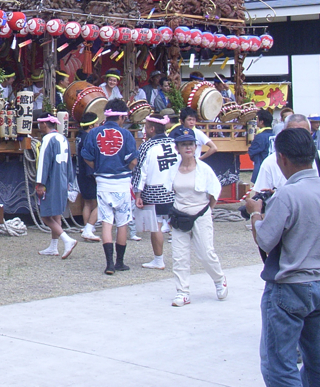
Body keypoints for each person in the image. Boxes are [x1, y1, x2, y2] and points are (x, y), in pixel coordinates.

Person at [245, 127, 320, 387]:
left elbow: (265, 240)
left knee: (279, 364)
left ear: (282, 158)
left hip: (288, 286)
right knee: (319, 361)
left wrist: (256, 212)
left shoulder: (288, 194)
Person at [160, 126, 228, 306]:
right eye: (184, 145)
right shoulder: (173, 169)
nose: (188, 148)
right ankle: (182, 292)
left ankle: (219, 280)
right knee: (179, 256)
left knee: (206, 253)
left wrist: (207, 211)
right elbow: (170, 192)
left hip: (201, 213)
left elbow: (214, 192)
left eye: (191, 144)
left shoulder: (204, 169)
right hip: (180, 214)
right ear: (178, 148)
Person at [81, 99, 137, 275]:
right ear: (120, 117)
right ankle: (120, 262)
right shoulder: (126, 134)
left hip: (103, 181)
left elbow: (86, 156)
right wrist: (125, 168)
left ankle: (109, 263)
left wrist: (97, 167)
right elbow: (133, 161)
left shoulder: (94, 133)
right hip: (122, 181)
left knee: (106, 221)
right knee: (122, 223)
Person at [132, 114, 180, 270]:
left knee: (156, 226)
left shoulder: (147, 146)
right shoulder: (174, 143)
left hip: (154, 190)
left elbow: (140, 172)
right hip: (174, 189)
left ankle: (159, 260)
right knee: (178, 226)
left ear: (152, 129)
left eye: (146, 127)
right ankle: (181, 258)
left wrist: (137, 194)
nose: (145, 130)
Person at [255, 114, 320, 193]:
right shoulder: (270, 162)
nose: (297, 138)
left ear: (310, 135)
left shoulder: (319, 157)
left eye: (303, 134)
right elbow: (260, 195)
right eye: (292, 133)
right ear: (283, 133)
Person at [34, 114, 78, 259]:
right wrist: (69, 181)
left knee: (46, 215)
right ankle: (53, 247)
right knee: (56, 214)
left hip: (51, 181)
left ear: (45, 125)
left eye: (40, 124)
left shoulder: (47, 139)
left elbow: (43, 163)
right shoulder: (63, 138)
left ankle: (67, 240)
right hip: (63, 180)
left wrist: (40, 183)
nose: (39, 126)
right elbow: (69, 162)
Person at [76, 112, 102, 242]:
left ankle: (87, 226)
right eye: (97, 123)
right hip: (88, 172)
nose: (98, 125)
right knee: (99, 202)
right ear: (91, 126)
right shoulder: (88, 138)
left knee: (87, 201)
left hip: (80, 172)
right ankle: (88, 227)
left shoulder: (79, 136)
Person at [249, 109, 275, 183]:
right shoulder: (274, 135)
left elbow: (252, 152)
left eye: (257, 119)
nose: (256, 121)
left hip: (262, 168)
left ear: (261, 122)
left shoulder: (260, 136)